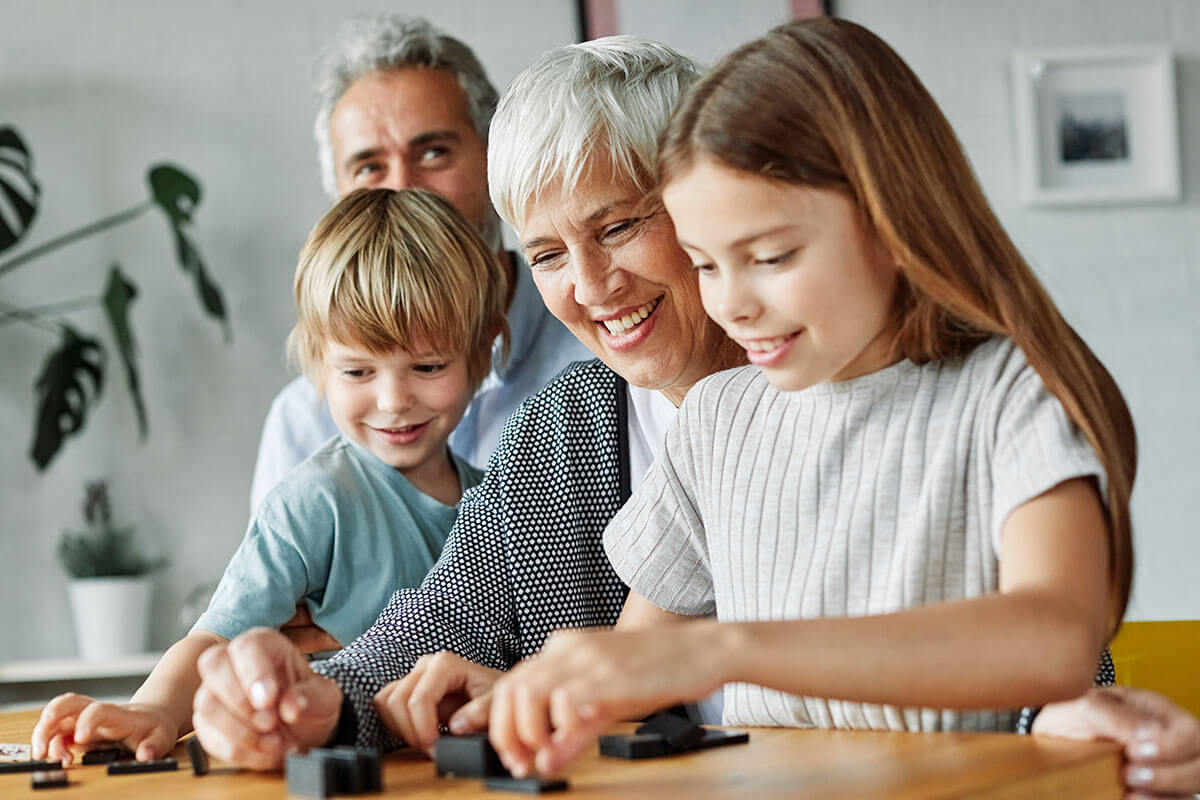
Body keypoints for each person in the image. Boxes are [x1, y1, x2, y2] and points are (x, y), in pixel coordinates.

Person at [187, 35, 1200, 799]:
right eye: (544, 253)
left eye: (623, 225)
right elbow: (587, 651)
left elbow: (1051, 642)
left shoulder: (992, 391)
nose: (590, 285)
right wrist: (362, 698)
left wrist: (708, 651)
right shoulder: (666, 424)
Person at [483, 15, 1138, 775]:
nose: (732, 305)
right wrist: (517, 697)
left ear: (893, 219)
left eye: (769, 256)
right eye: (704, 264)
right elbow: (628, 669)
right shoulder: (720, 420)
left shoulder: (1010, 394)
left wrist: (724, 650)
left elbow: (1055, 640)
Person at [30, 188, 508, 766]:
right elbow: (216, 640)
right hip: (349, 768)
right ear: (316, 361)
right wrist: (153, 709)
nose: (393, 400)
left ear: (484, 351)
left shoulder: (507, 496)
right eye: (357, 370)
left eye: (428, 366)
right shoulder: (315, 501)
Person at [249, 14, 591, 511]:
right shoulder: (304, 423)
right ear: (338, 197)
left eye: (433, 152)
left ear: (494, 160)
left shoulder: (603, 347)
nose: (403, 189)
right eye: (369, 167)